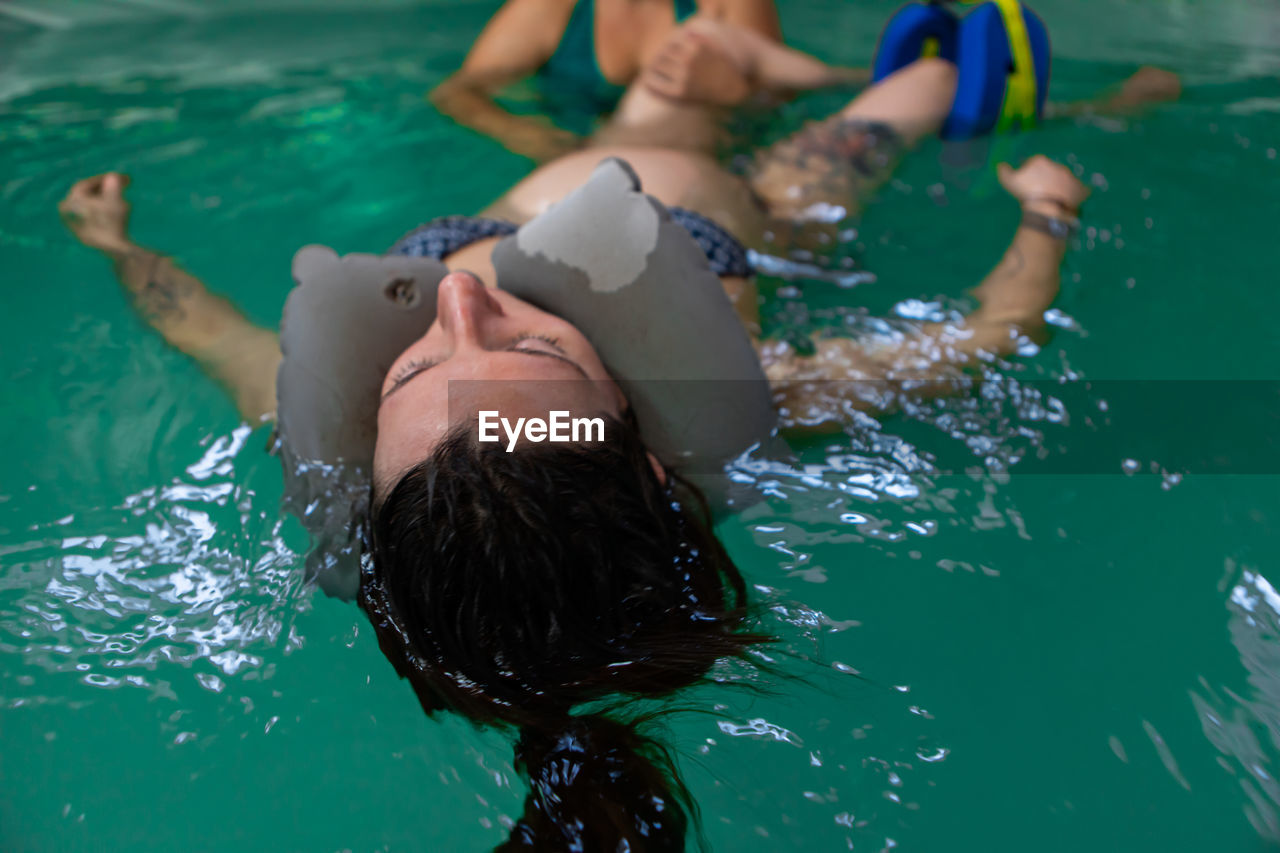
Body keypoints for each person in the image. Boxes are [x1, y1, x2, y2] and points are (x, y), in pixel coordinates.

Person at [58, 20, 1179, 851]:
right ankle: (1080, 114)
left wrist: (114, 246)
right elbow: (991, 332)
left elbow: (204, 327)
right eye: (536, 354)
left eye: (415, 367)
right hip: (747, 206)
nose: (456, 305)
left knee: (632, 105)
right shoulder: (751, 397)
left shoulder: (349, 437)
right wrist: (1046, 207)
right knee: (936, 73)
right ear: (646, 447)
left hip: (558, 164)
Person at [428, 0, 872, 161]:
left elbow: (781, 108)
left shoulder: (725, 6)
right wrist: (534, 138)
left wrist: (735, 95)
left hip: (702, 159)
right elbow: (458, 92)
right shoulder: (556, 7)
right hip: (586, 158)